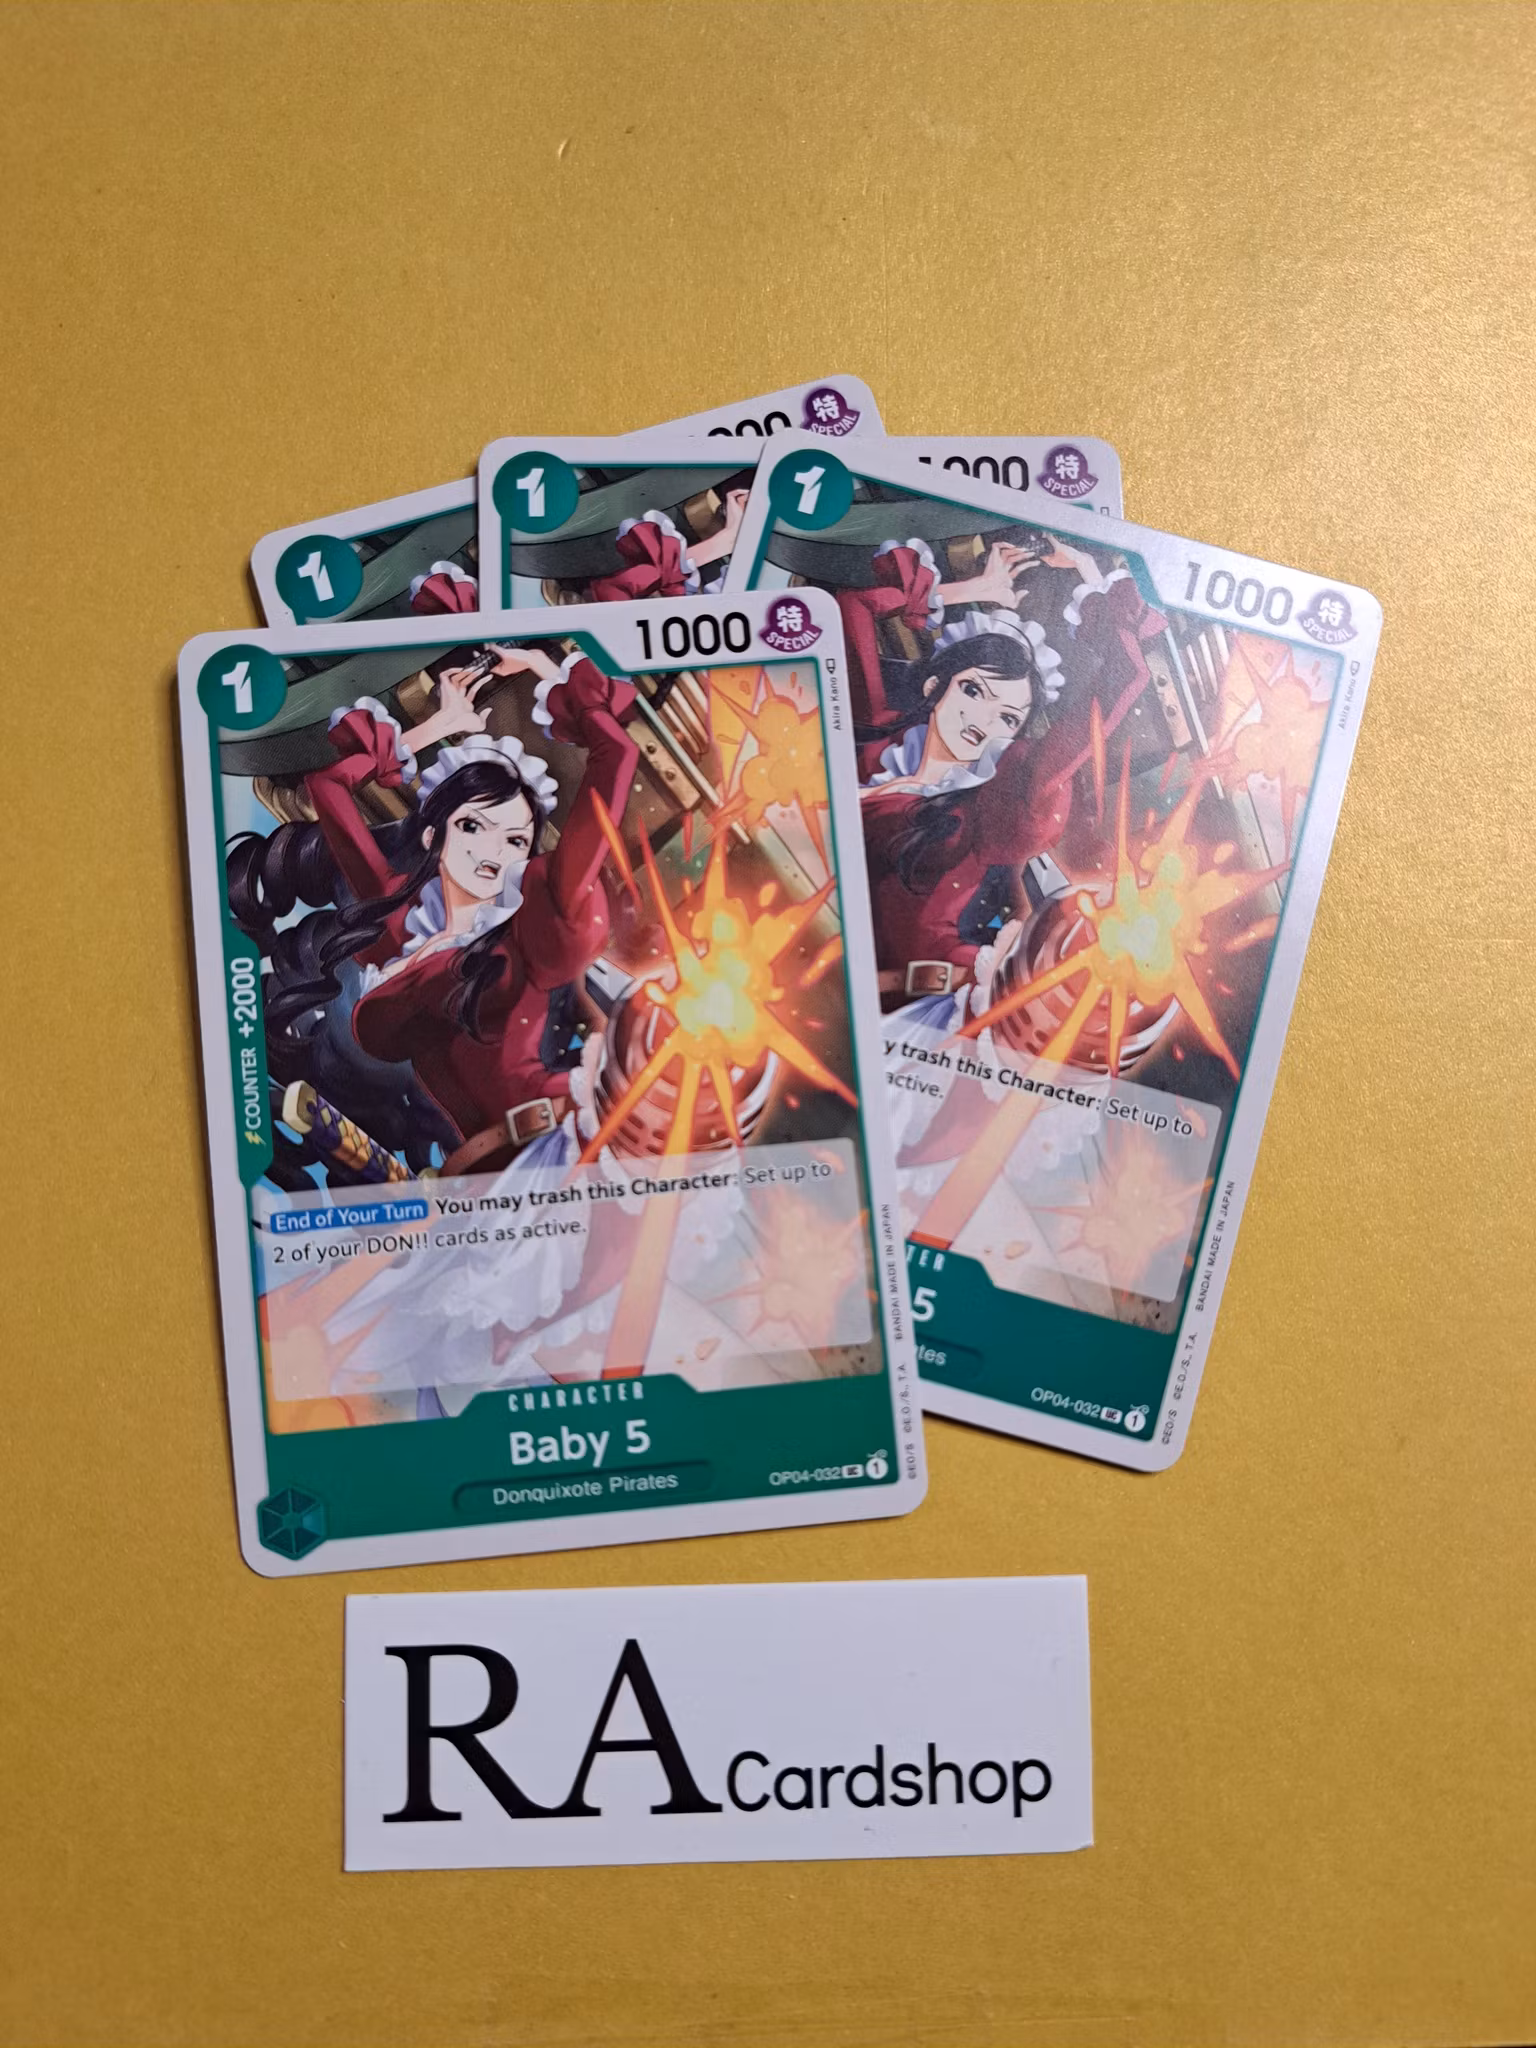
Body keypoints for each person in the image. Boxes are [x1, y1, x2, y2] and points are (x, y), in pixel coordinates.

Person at [834, 535, 1168, 1018]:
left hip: (901, 993)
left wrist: (1088, 572)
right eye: (974, 691)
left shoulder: (992, 806)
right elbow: (851, 609)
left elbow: (1123, 680)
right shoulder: (878, 736)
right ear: (935, 685)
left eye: (1008, 718)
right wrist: (976, 589)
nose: (983, 720)